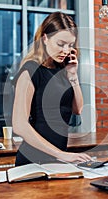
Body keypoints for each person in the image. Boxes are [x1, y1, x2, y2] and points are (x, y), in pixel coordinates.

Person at [12, 12, 92, 166]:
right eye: (61, 44)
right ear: (45, 38)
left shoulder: (63, 70)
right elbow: (19, 125)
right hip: (33, 160)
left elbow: (78, 109)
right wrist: (61, 154)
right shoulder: (30, 69)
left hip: (57, 159)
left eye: (70, 45)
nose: (66, 50)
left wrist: (73, 75)